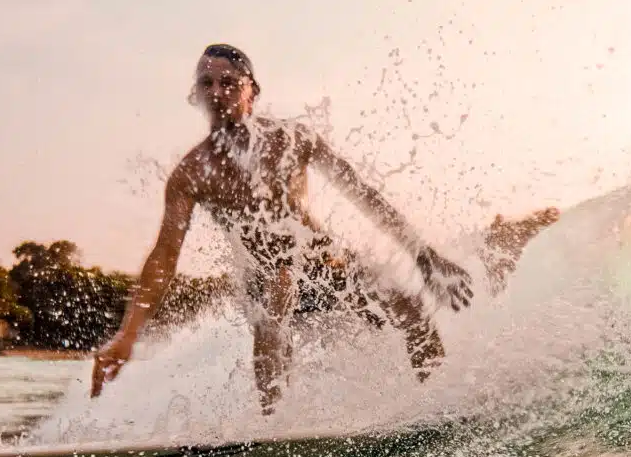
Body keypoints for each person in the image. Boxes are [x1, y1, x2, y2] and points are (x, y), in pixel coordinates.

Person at [91, 43, 557, 413]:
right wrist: (128, 334)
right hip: (269, 285)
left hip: (326, 266)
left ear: (253, 91)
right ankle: (274, 427)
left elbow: (364, 195)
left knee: (409, 308)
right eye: (207, 83)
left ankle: (436, 408)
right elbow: (164, 257)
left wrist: (423, 253)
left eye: (229, 83)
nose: (217, 92)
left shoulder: (293, 140)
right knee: (276, 284)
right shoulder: (192, 173)